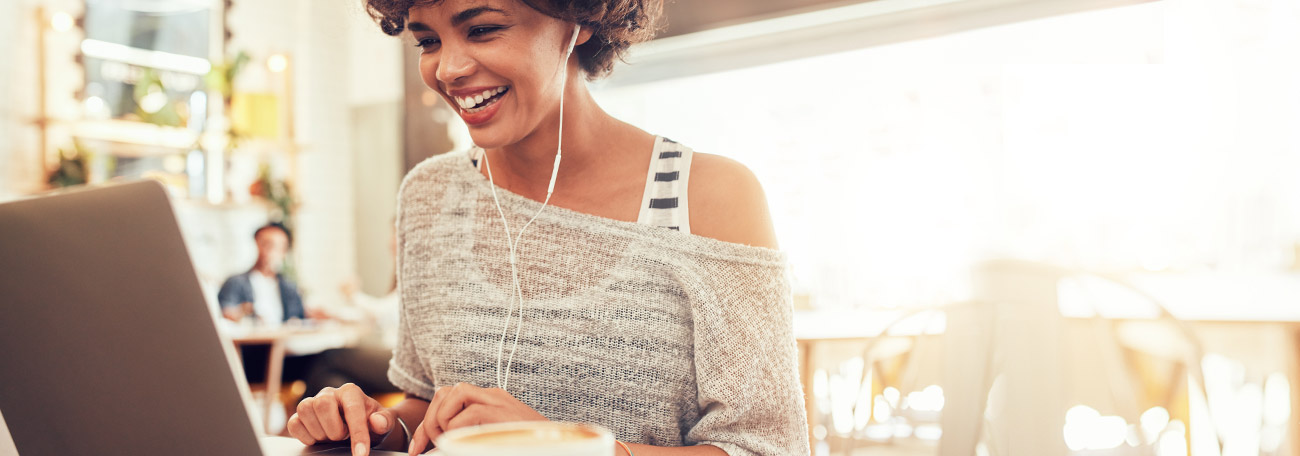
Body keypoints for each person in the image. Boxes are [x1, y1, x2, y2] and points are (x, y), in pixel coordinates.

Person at [288, 1, 809, 455]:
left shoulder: (707, 197)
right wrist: (369, 426)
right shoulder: (430, 195)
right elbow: (427, 407)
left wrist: (566, 447)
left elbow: (767, 449)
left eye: (483, 29)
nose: (447, 68)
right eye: (428, 40)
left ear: (579, 18)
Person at [217, 222, 304, 326]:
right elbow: (223, 313)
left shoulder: (289, 286)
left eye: (275, 246)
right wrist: (241, 311)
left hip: (283, 340)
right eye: (265, 244)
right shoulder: (235, 282)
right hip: (251, 341)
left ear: (284, 251)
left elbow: (299, 317)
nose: (268, 251)